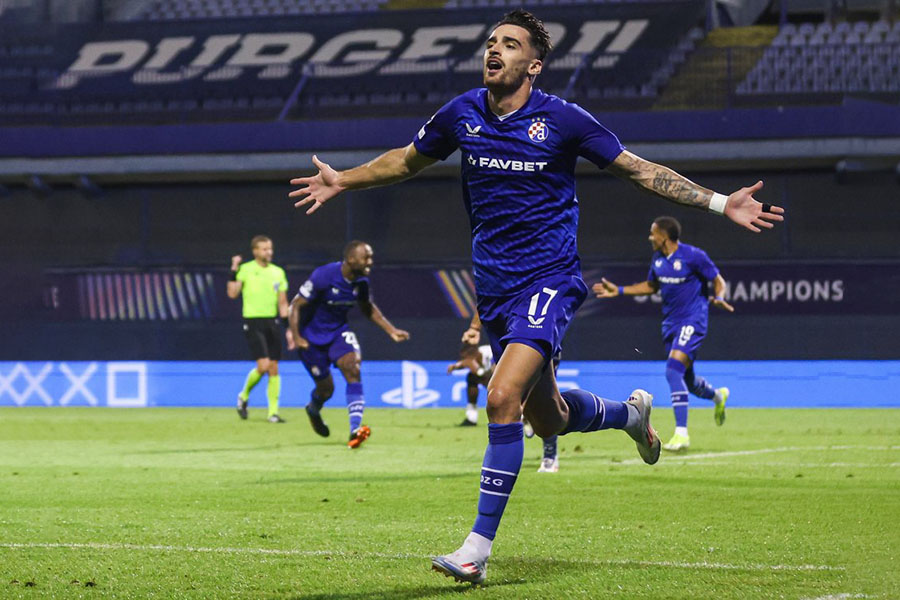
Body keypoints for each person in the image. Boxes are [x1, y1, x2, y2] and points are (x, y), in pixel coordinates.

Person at [288, 9, 783, 584]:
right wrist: (343, 179)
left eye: (510, 44)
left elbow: (638, 170)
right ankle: (630, 415)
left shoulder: (563, 119)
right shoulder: (462, 113)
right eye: (491, 41)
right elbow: (406, 159)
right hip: (495, 290)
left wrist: (720, 203)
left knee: (501, 398)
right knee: (547, 417)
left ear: (534, 64)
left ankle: (475, 550)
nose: (494, 49)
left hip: (550, 280)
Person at [593, 216, 734, 452]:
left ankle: (681, 434)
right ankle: (718, 396)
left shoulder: (693, 256)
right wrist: (619, 290)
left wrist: (719, 297)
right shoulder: (658, 259)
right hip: (670, 324)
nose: (650, 237)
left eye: (653, 233)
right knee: (688, 381)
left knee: (672, 370)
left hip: (693, 320)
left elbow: (718, 280)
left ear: (664, 237)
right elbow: (651, 286)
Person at [288, 240, 410, 449]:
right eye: (366, 257)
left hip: (338, 333)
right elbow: (295, 305)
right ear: (351, 259)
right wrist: (296, 336)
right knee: (326, 390)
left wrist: (391, 330)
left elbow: (367, 308)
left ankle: (355, 429)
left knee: (352, 367)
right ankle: (313, 410)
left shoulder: (361, 282)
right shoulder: (324, 275)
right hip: (310, 339)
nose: (370, 262)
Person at [450, 312, 561, 473]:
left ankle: (549, 454)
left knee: (544, 402)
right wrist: (474, 327)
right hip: (509, 338)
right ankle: (504, 457)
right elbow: (485, 300)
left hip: (541, 335)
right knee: (500, 392)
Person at [226, 235, 292, 423]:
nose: (268, 252)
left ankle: (273, 413)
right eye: (264, 249)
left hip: (272, 322)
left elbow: (283, 303)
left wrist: (288, 328)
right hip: (253, 322)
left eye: (270, 248)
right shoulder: (246, 269)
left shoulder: (278, 272)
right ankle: (243, 395)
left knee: (274, 367)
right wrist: (233, 270)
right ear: (255, 251)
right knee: (263, 366)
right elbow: (232, 293)